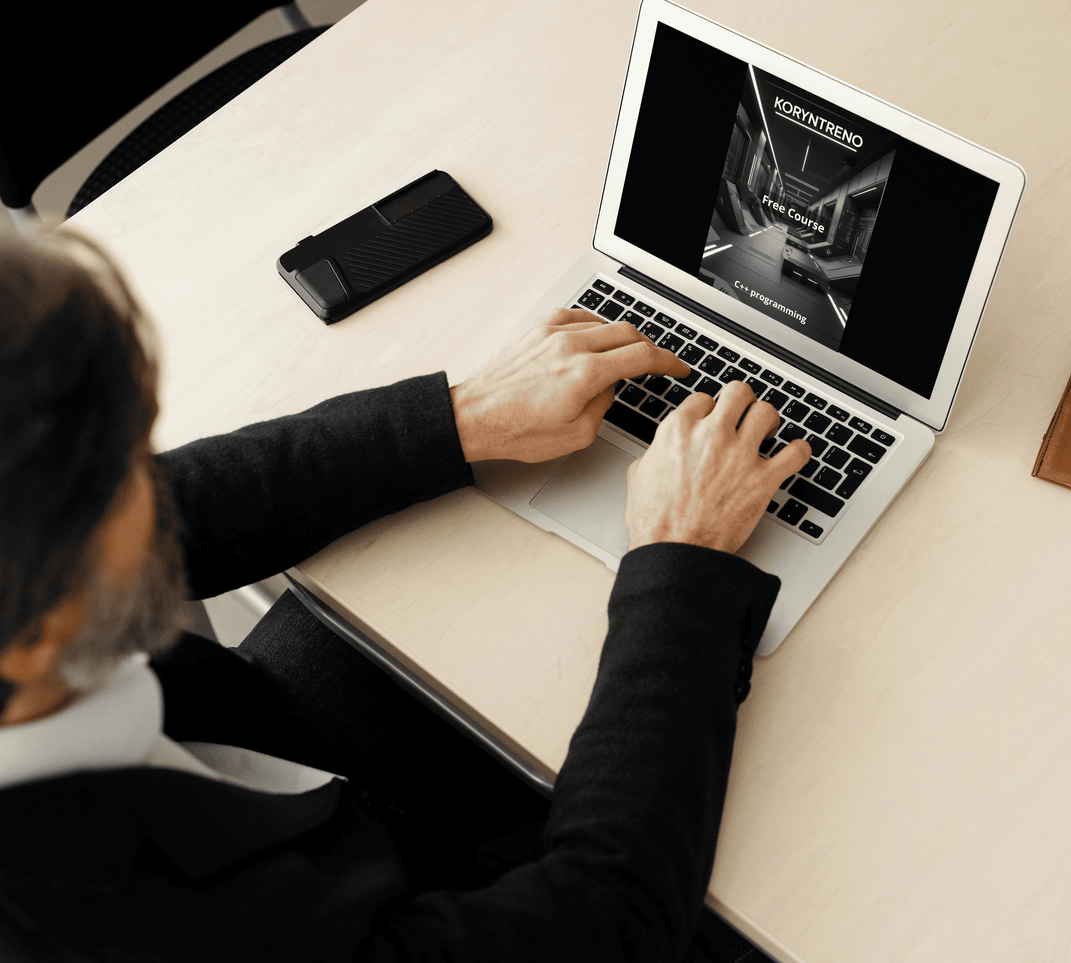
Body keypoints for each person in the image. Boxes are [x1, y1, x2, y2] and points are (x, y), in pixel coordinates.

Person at [0, 232, 811, 962]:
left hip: (267, 757)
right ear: (36, 634)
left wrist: (462, 419)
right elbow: (605, 918)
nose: (155, 483)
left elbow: (187, 506)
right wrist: (680, 564)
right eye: (124, 471)